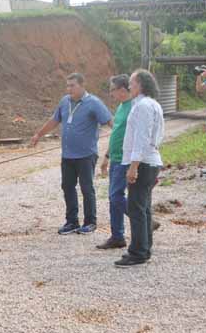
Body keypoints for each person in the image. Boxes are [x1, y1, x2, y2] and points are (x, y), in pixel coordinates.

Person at [31, 73, 113, 235]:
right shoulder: (64, 101)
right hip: (67, 155)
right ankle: (72, 221)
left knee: (86, 188)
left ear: (82, 85)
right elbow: (54, 120)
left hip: (86, 155)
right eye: (67, 85)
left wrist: (118, 142)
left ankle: (90, 222)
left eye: (72, 85)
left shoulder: (94, 103)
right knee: (67, 186)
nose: (69, 89)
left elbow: (110, 122)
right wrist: (38, 134)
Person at [115, 69, 165, 267]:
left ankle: (137, 252)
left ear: (141, 85)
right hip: (150, 161)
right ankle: (144, 248)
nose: (129, 86)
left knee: (136, 208)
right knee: (143, 208)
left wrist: (133, 166)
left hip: (143, 163)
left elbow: (141, 138)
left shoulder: (143, 106)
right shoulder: (152, 104)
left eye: (132, 83)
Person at [97, 75, 132, 250]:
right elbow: (116, 133)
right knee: (113, 199)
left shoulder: (134, 107)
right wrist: (106, 157)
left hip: (126, 159)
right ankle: (117, 236)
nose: (110, 94)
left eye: (112, 90)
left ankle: (143, 219)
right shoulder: (120, 107)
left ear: (123, 90)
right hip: (115, 158)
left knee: (115, 196)